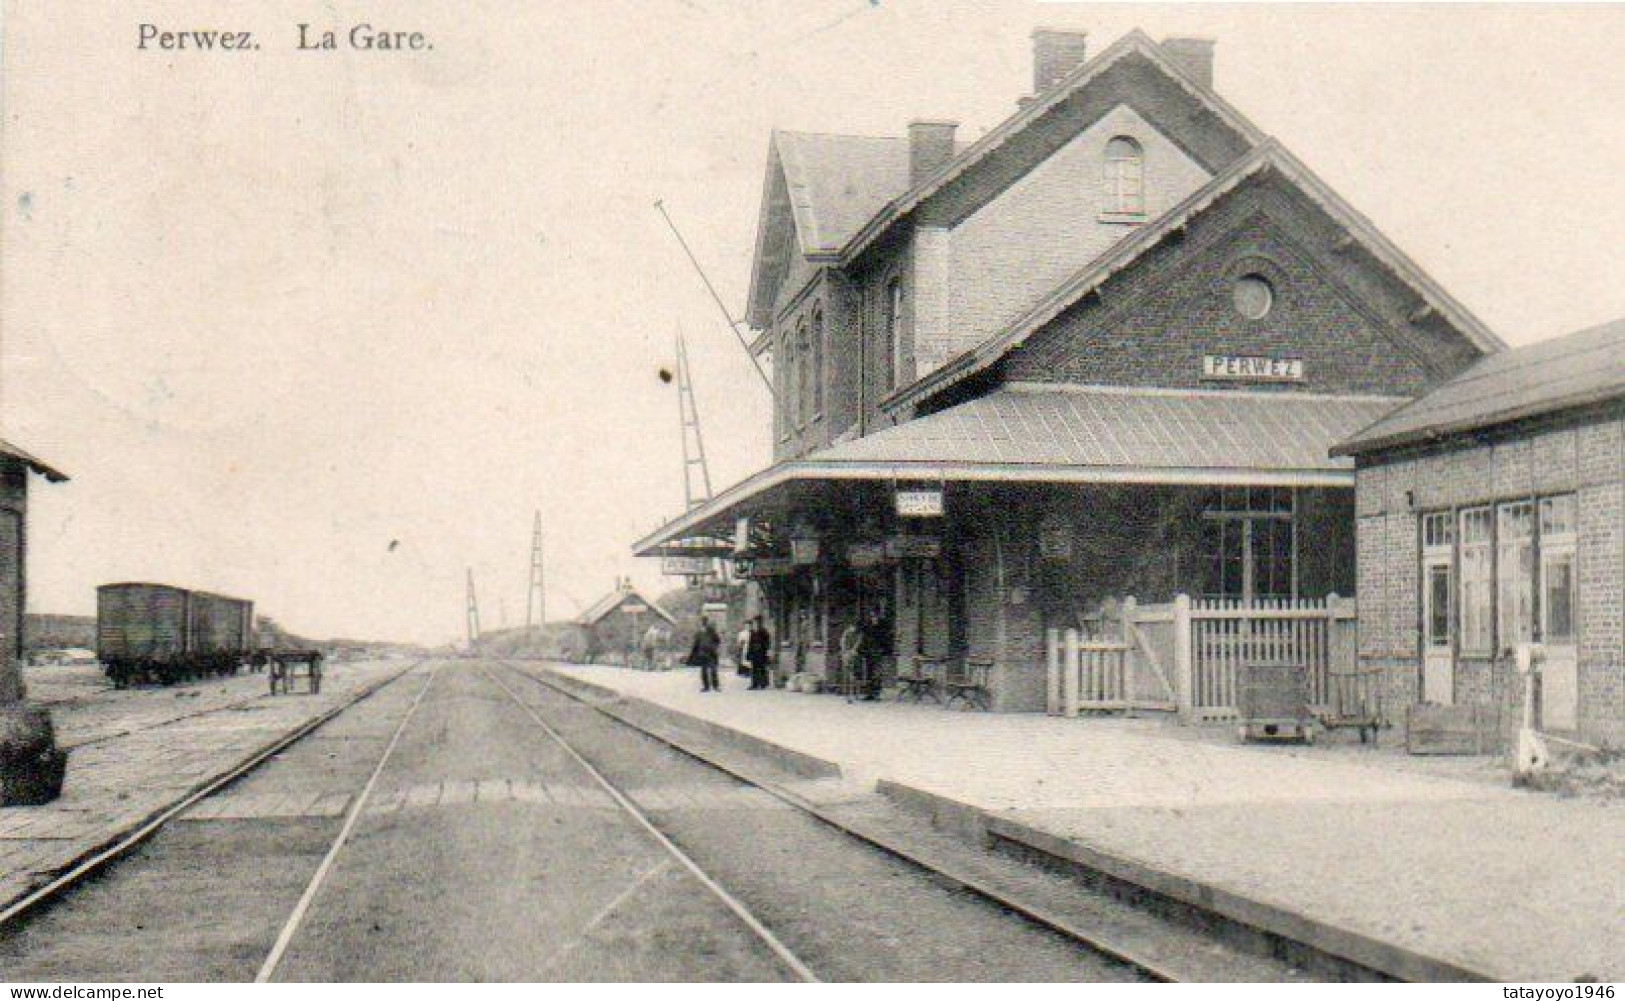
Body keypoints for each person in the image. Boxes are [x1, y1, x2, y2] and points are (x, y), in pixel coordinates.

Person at [686, 615, 722, 692]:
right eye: (703, 622)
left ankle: (715, 686)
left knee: (713, 670)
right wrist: (694, 654)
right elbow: (696, 644)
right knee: (705, 670)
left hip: (711, 653)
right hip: (703, 653)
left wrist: (714, 647)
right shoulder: (699, 633)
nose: (704, 624)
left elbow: (718, 640)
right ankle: (707, 686)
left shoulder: (711, 631)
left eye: (704, 622)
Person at [837, 618, 863, 699]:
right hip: (847, 655)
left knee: (856, 675)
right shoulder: (845, 634)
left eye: (853, 627)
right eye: (851, 627)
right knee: (846, 674)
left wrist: (853, 650)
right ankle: (846, 693)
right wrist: (845, 652)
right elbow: (842, 644)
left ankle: (856, 693)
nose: (852, 628)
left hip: (854, 655)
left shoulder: (859, 634)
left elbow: (858, 644)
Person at [746, 616, 773, 690]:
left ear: (760, 622)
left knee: (762, 668)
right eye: (755, 622)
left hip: (761, 652)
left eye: (756, 622)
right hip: (754, 653)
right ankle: (754, 684)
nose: (755, 624)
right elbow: (750, 643)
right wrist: (749, 653)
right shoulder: (753, 632)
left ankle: (763, 684)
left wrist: (765, 650)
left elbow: (767, 642)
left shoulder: (764, 632)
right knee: (754, 668)